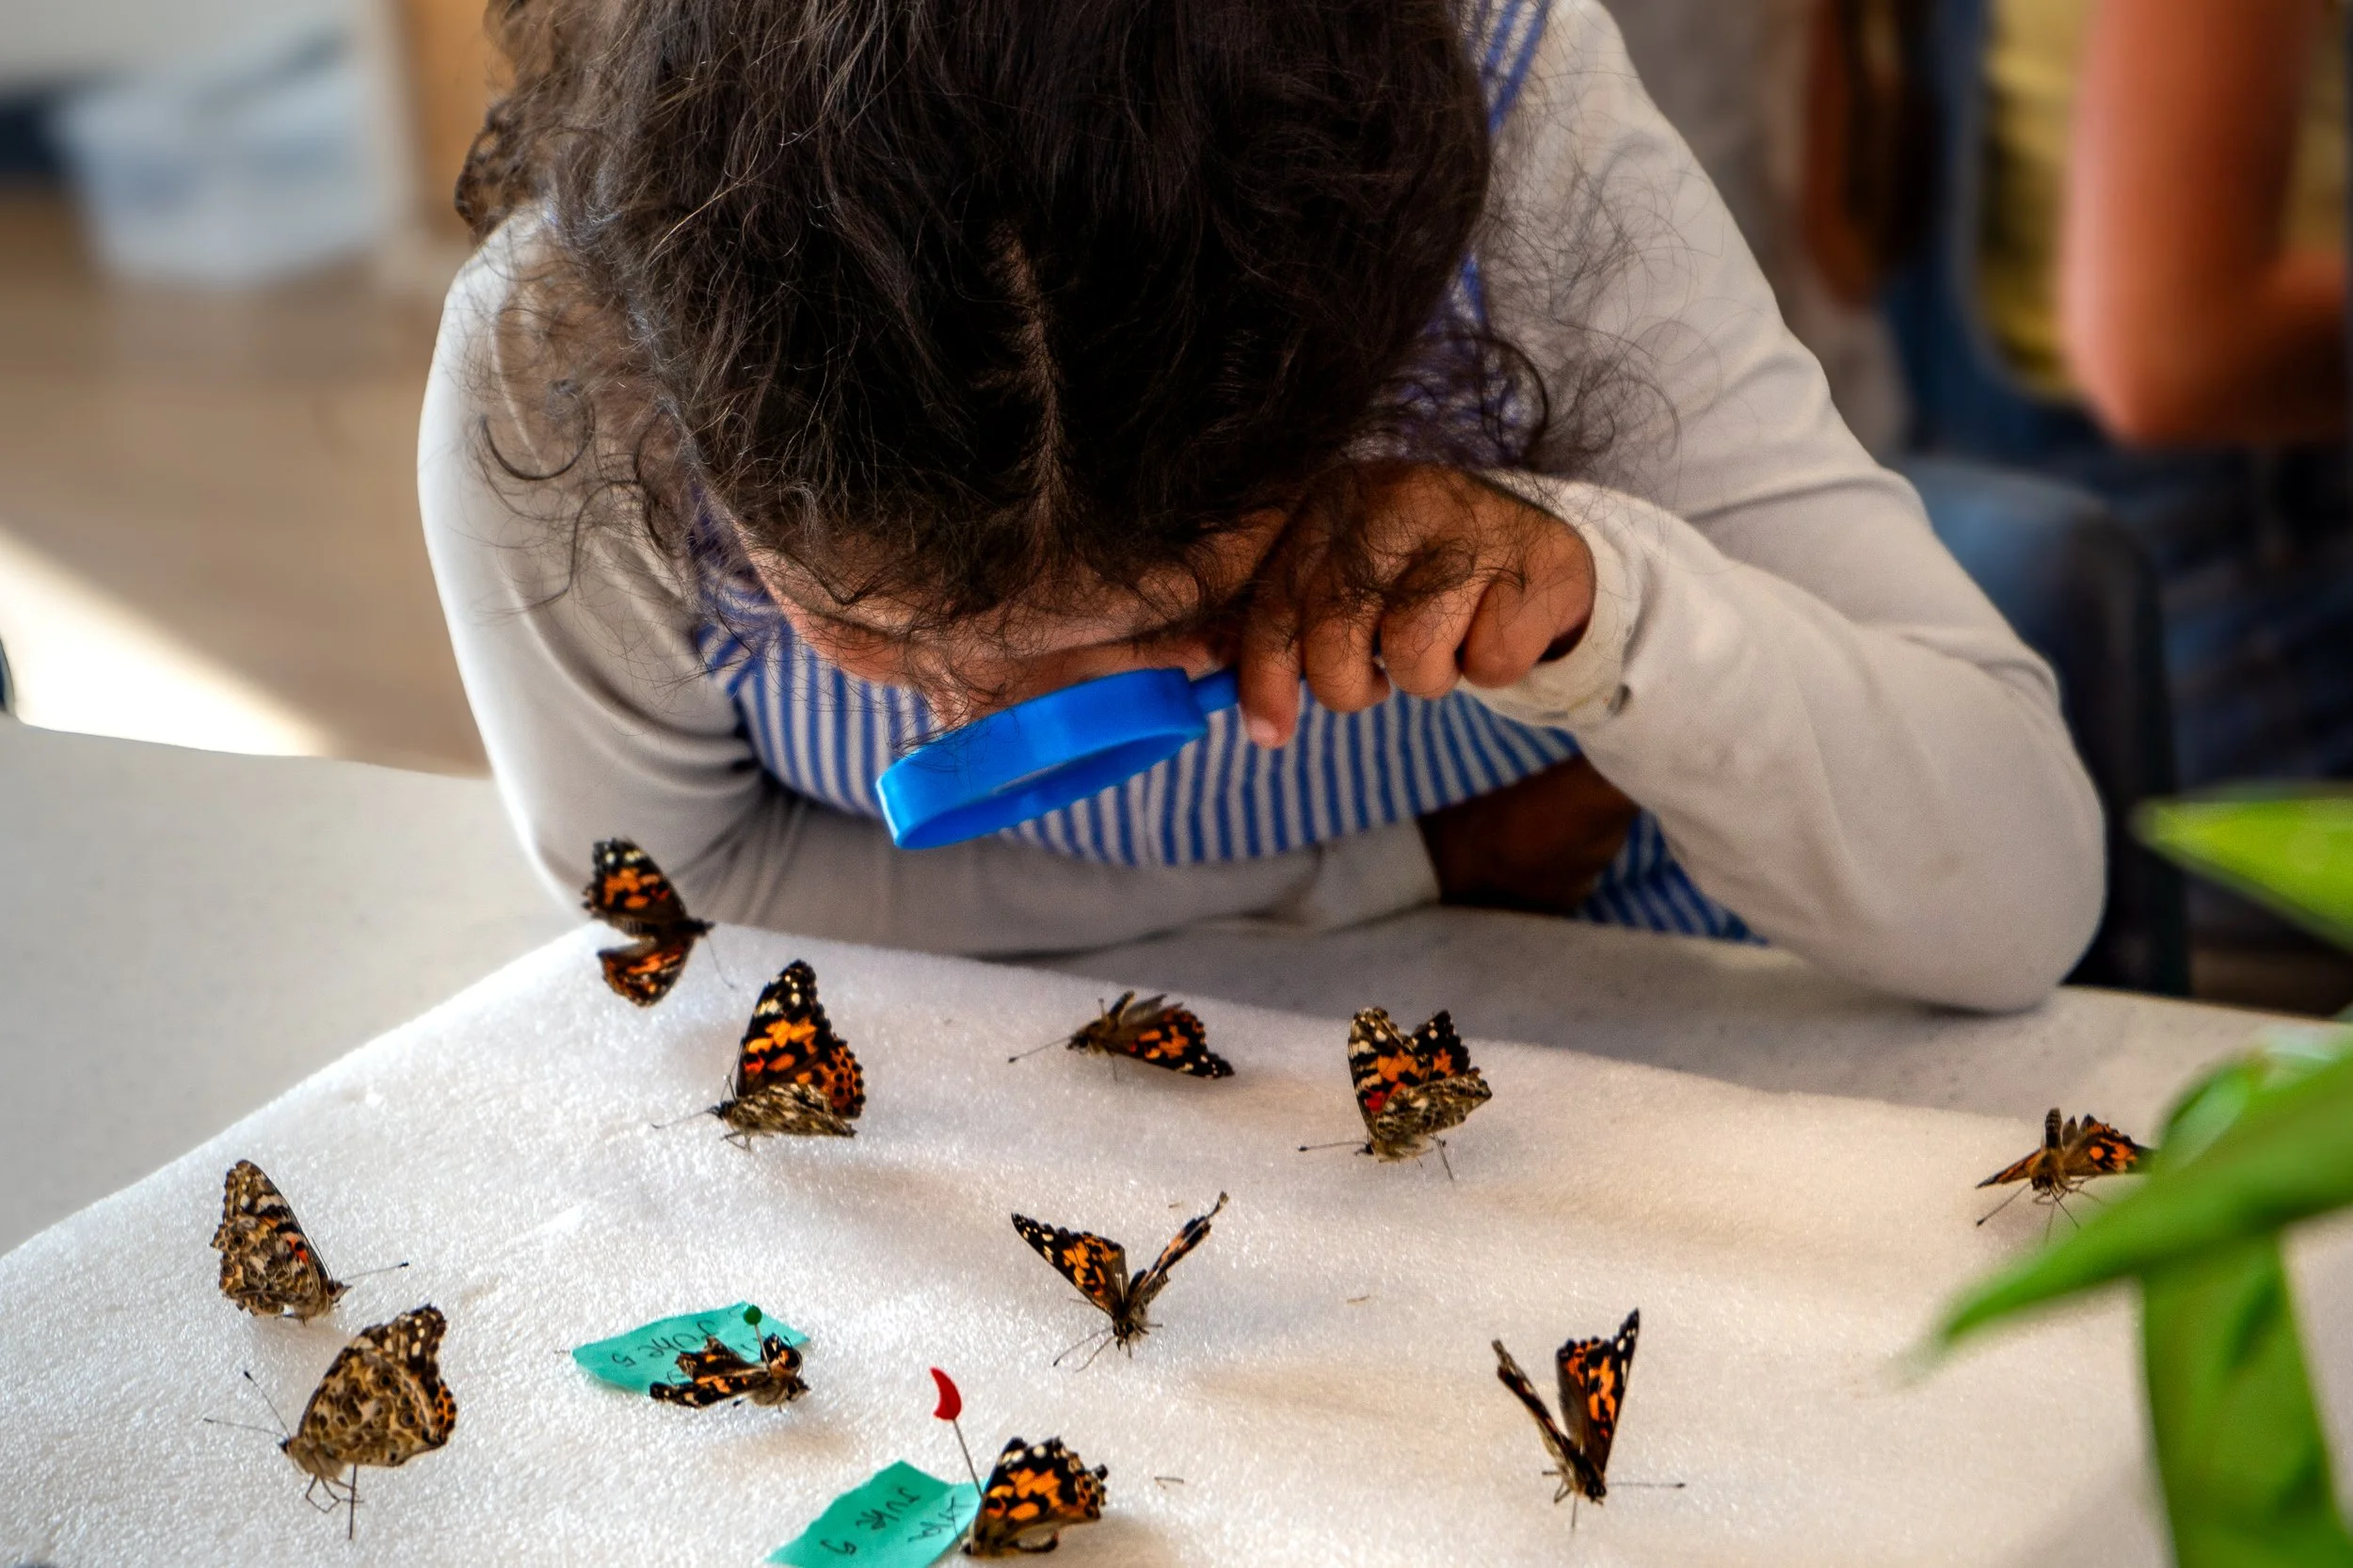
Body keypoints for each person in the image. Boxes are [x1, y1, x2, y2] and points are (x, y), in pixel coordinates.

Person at [419, 0, 2102, 1011]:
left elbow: (2019, 890)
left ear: (1367, 374)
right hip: (1055, 1107)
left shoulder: (1501, 139)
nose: (1011, 713)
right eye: (867, 616)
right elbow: (681, 892)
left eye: (1174, 618)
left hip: (1645, 1018)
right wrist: (1403, 866)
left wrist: (1612, 613)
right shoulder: (566, 355)